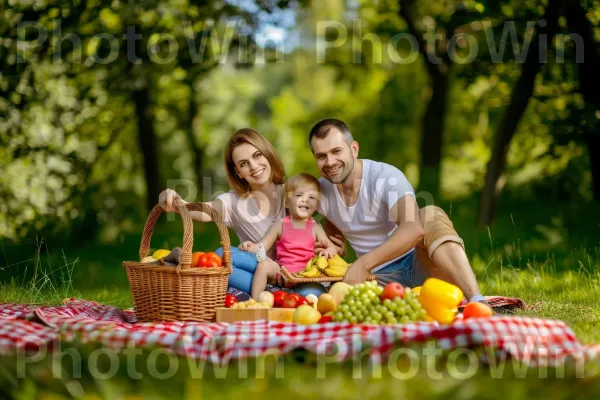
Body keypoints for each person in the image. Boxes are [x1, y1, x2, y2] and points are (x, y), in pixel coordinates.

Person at [309, 118, 489, 306]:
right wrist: (332, 247)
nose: (330, 162)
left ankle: (477, 300)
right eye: (321, 156)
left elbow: (413, 229)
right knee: (329, 300)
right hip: (376, 281)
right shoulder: (319, 191)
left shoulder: (386, 177)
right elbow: (295, 220)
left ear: (354, 149)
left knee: (429, 214)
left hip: (422, 266)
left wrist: (363, 264)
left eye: (336, 151)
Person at [239, 173, 337, 298]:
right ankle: (256, 301)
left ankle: (292, 296)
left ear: (316, 205)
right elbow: (262, 247)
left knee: (313, 292)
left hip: (305, 276)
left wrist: (329, 250)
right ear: (286, 202)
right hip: (281, 273)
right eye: (299, 195)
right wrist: (250, 246)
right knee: (263, 265)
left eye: (312, 197)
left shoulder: (316, 228)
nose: (305, 200)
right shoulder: (280, 224)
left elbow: (331, 247)